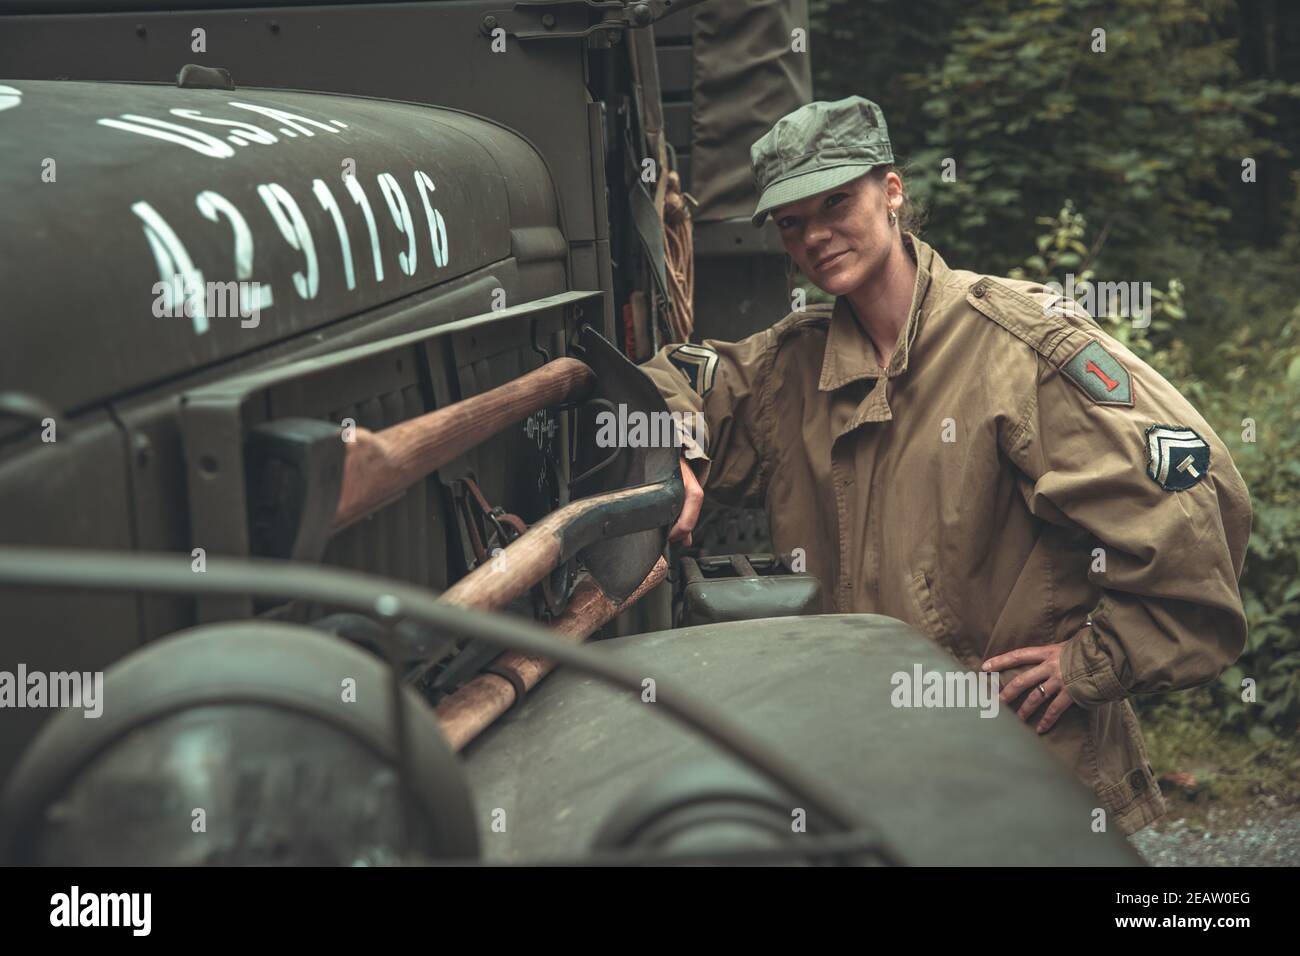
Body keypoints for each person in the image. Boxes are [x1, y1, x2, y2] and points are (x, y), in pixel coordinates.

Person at [637, 96, 1252, 835]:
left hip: (1024, 772)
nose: (816, 235)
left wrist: (1093, 660)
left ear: (892, 192)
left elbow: (1193, 492)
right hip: (875, 774)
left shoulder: (1016, 346)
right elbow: (677, 377)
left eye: (837, 201)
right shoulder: (792, 366)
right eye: (792, 222)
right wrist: (673, 444)